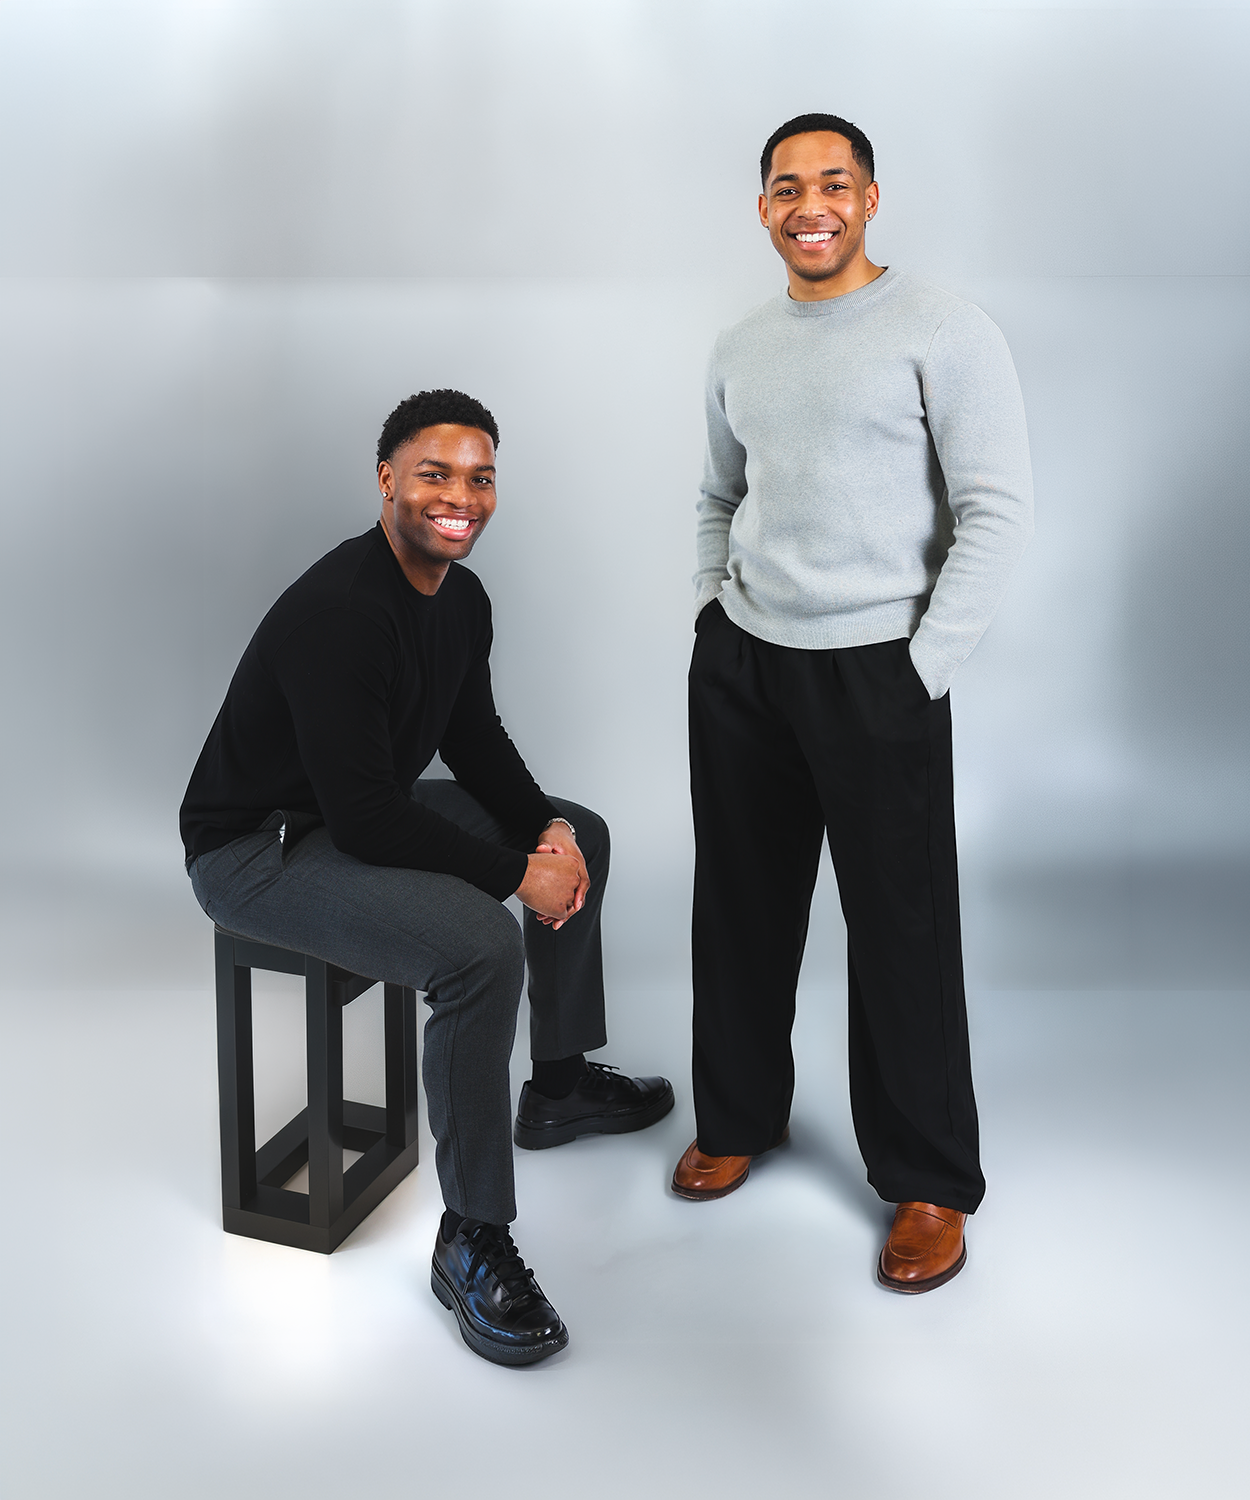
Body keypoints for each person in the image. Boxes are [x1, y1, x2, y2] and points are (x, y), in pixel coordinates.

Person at [182, 388, 673, 1363]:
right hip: (258, 851)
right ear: (386, 482)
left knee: (584, 831)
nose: (460, 496)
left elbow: (473, 739)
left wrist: (541, 832)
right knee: (482, 947)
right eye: (434, 474)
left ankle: (558, 1086)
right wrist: (510, 876)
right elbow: (368, 817)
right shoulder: (341, 611)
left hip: (337, 812)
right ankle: (471, 1237)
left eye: (478, 477)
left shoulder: (459, 599)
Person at [671, 114, 1033, 1294]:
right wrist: (708, 615)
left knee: (900, 933)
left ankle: (927, 1180)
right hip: (745, 666)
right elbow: (716, 494)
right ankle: (735, 1116)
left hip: (876, 667)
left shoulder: (943, 331)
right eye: (787, 187)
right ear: (763, 209)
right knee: (739, 908)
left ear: (869, 199)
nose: (809, 203)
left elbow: (992, 508)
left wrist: (922, 665)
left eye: (833, 182)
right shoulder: (738, 344)